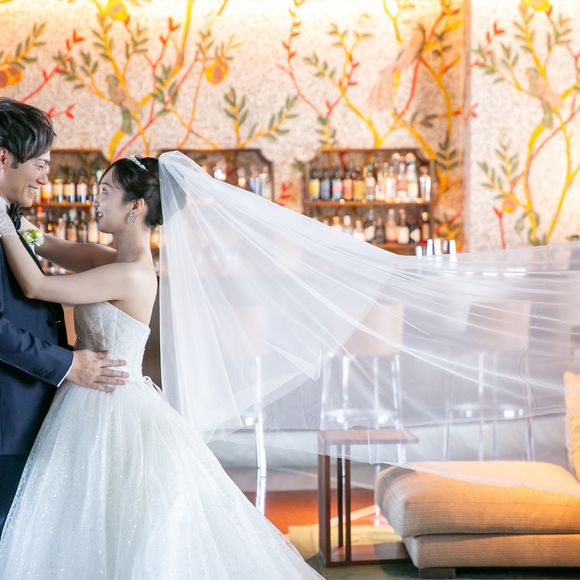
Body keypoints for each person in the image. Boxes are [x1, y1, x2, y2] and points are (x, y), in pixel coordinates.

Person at [0, 153, 321, 579]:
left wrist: (1, 223)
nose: (95, 201)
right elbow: (44, 243)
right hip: (84, 396)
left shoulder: (132, 274)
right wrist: (13, 218)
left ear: (135, 206)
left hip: (112, 404)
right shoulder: (107, 259)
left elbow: (36, 285)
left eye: (105, 192)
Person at [0, 98, 128, 535]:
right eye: (40, 165)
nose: (45, 177)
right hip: (7, 417)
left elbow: (58, 253)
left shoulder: (13, 220)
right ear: (3, 158)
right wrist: (68, 363)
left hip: (32, 406)